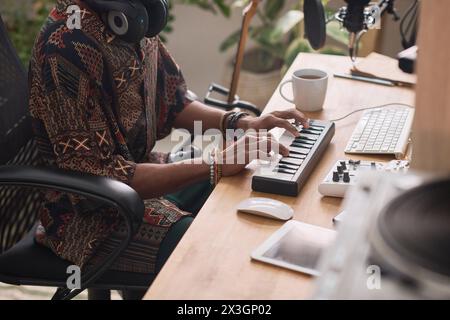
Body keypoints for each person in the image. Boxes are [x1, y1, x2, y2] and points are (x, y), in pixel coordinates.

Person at [29, 0, 309, 289]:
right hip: (88, 219)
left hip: (140, 172)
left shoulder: (135, 15)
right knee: (200, 248)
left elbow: (174, 101)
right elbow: (102, 178)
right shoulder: (64, 45)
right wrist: (214, 162)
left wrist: (239, 121)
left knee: (243, 189)